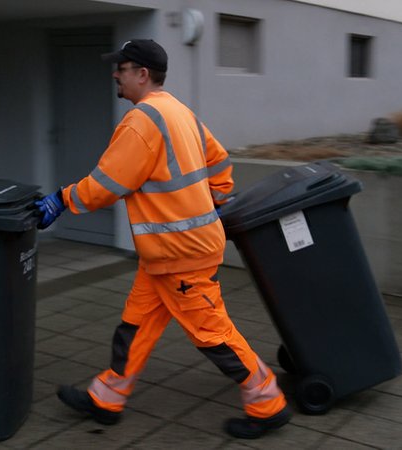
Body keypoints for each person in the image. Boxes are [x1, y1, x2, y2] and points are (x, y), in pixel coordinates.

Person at [35, 39, 291, 439]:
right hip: (170, 254)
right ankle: (107, 399)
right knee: (135, 326)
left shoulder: (143, 120)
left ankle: (268, 403)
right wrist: (219, 199)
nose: (115, 74)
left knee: (212, 334)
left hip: (181, 254)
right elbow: (219, 160)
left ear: (141, 74)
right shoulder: (179, 112)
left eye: (121, 68)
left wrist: (61, 200)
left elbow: (107, 184)